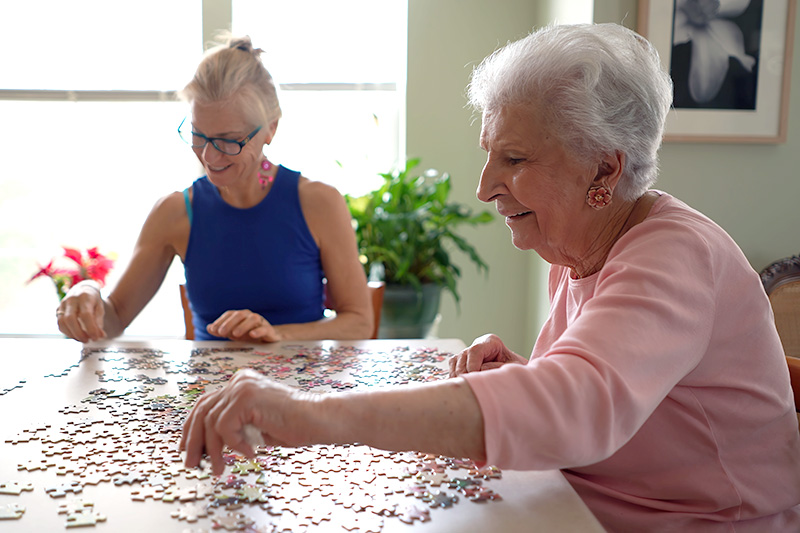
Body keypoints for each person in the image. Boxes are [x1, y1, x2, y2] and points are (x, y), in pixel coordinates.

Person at [180, 23, 800, 531]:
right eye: (489, 152)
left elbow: (575, 409)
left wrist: (310, 416)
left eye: (515, 159)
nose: (483, 187)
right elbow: (610, 388)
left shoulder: (676, 254)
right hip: (579, 506)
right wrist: (526, 374)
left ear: (603, 172)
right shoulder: (577, 250)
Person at [55, 35, 373, 343]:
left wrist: (280, 334)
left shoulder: (319, 203)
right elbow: (114, 319)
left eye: (228, 140)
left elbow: (359, 322)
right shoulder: (174, 212)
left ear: (271, 128)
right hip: (210, 394)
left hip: (302, 390)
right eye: (198, 135)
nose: (208, 156)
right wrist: (87, 293)